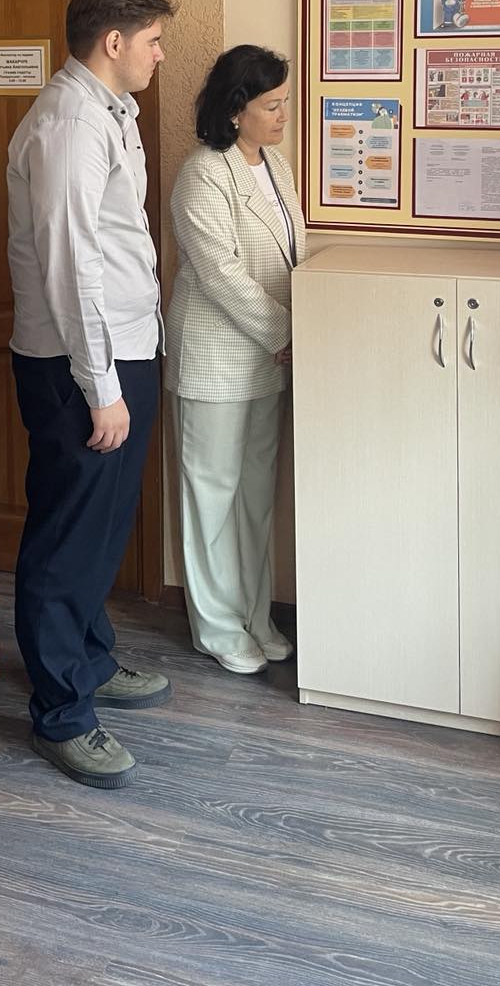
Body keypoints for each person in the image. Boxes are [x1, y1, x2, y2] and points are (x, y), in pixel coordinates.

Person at [6, 0, 175, 788]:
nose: (160, 54)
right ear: (114, 42)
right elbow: (70, 262)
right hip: (81, 367)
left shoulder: (110, 112)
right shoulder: (70, 123)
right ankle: (62, 711)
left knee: (102, 527)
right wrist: (100, 385)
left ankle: (90, 659)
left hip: (122, 351)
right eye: (153, 40)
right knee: (68, 535)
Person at [165, 46, 305, 674]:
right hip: (217, 357)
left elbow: (294, 253)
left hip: (271, 358)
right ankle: (219, 627)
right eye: (271, 105)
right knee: (213, 496)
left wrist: (299, 330)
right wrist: (284, 331)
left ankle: (256, 615)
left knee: (254, 496)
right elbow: (219, 272)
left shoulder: (277, 166)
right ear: (235, 109)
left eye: (283, 103)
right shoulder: (202, 172)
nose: (283, 116)